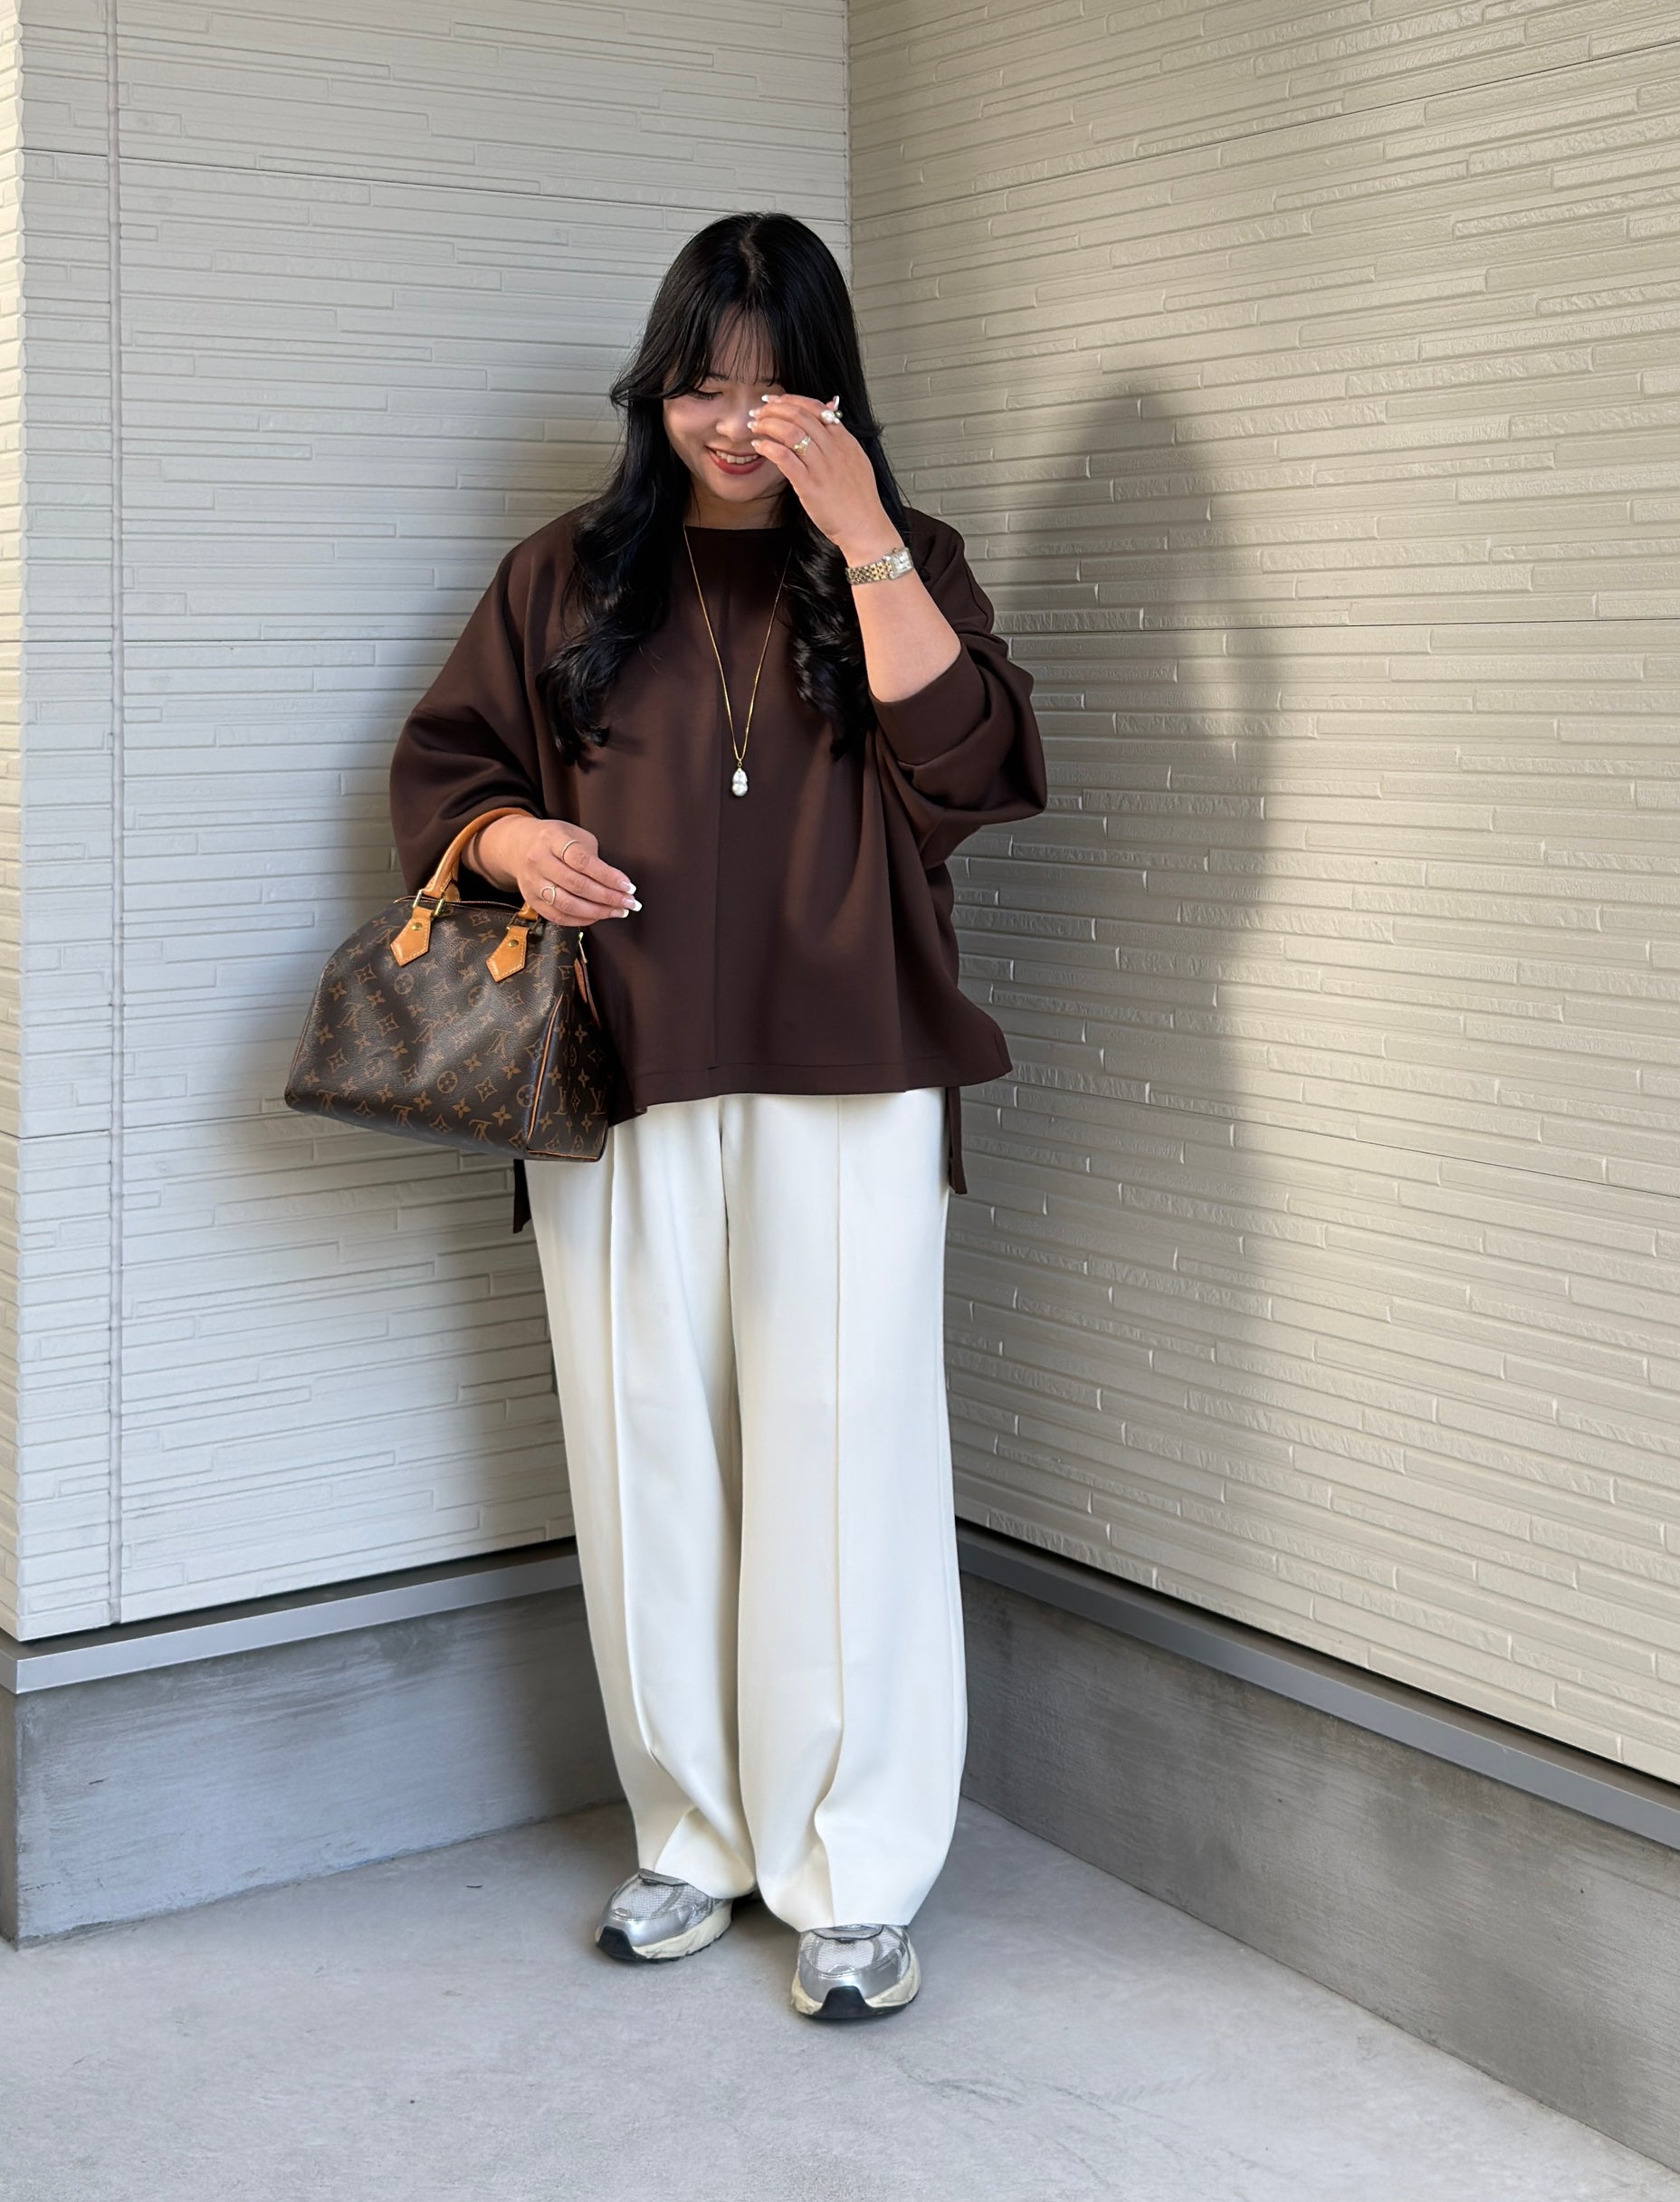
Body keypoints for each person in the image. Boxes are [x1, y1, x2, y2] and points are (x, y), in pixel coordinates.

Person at [387, 210, 1046, 2020]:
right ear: (655, 388)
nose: (736, 422)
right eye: (701, 383)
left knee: (849, 1455)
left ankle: (854, 1871)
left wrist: (864, 534)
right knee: (644, 1446)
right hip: (617, 1063)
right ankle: (690, 1834)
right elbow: (447, 765)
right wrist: (511, 838)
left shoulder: (904, 558)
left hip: (856, 1060)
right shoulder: (565, 572)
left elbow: (975, 768)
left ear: (833, 392)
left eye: (774, 388)